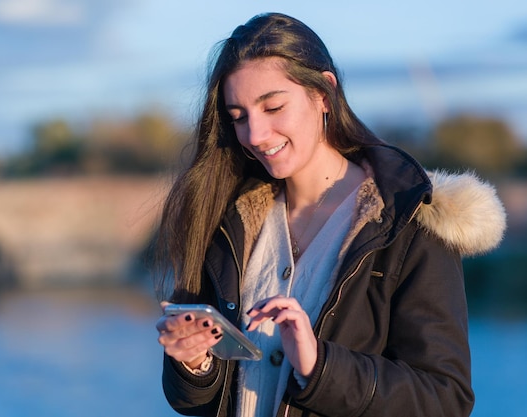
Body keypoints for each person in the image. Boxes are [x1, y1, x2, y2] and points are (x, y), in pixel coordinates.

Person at [153, 12, 506, 417]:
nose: (255, 135)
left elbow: (444, 401)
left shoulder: (409, 223)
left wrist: (320, 366)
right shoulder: (227, 221)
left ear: (324, 94)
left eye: (273, 107)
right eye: (239, 117)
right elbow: (196, 402)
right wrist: (194, 362)